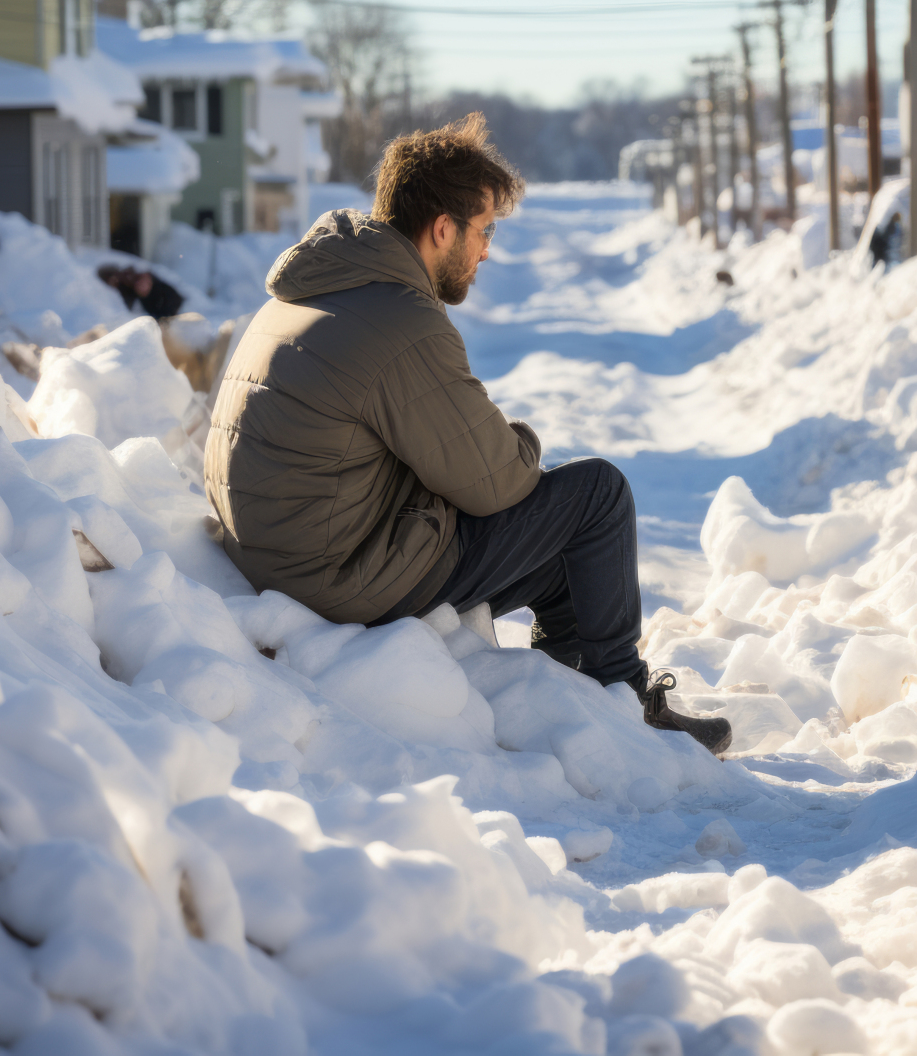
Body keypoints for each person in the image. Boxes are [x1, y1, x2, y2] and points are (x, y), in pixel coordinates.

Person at [205, 113, 731, 754]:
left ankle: (583, 706)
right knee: (595, 497)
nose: (487, 251)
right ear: (442, 228)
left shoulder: (308, 292)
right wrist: (523, 443)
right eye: (483, 232)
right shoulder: (398, 320)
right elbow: (497, 481)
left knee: (560, 546)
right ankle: (624, 704)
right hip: (341, 578)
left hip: (280, 558)